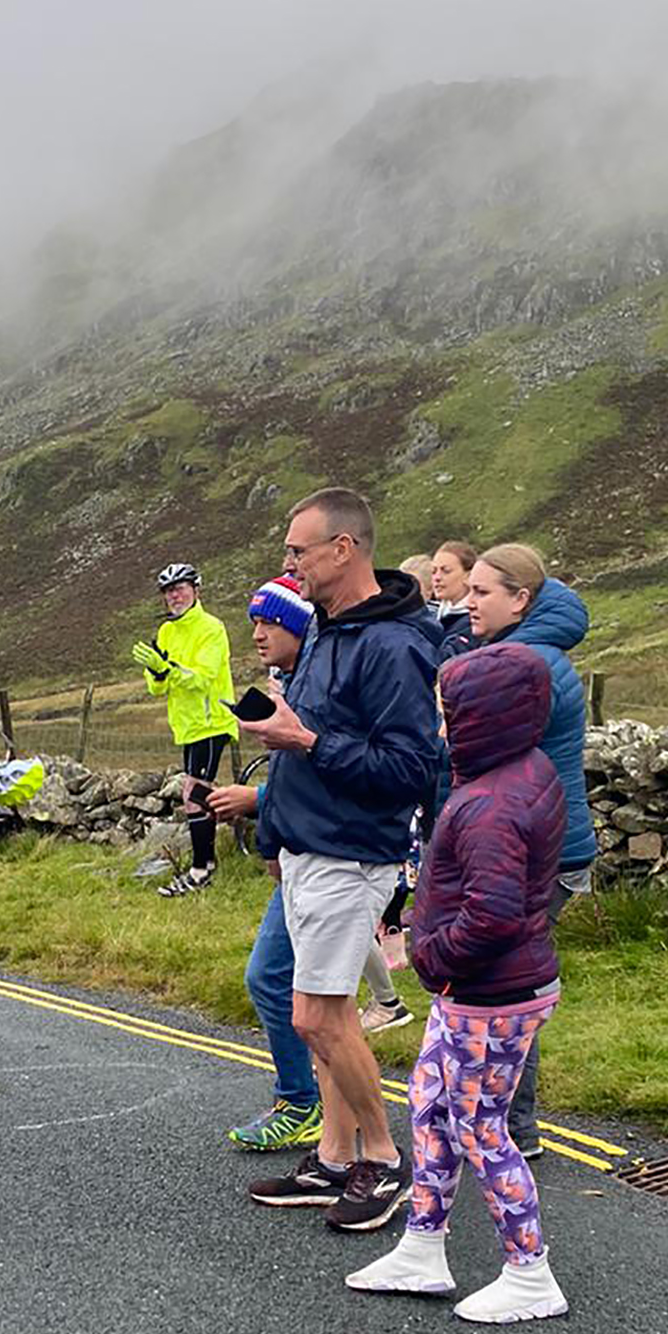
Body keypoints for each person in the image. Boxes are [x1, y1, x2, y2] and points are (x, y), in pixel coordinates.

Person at [233, 489, 444, 1233]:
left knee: (317, 1016)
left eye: (299, 549)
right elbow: (317, 729)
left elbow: (410, 768)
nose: (289, 563)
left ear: (344, 549)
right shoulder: (329, 627)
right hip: (308, 845)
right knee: (332, 1012)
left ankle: (384, 1161)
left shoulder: (395, 644)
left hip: (348, 853)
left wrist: (309, 743)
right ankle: (331, 1156)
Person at [344, 641, 570, 1323]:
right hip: (487, 988)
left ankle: (530, 1272)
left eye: (450, 711)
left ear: (485, 715)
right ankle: (423, 1246)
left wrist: (431, 954)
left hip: (489, 993)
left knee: (478, 1125)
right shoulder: (521, 772)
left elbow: (494, 913)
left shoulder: (493, 803)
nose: (442, 726)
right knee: (432, 1104)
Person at [203, 575, 409, 1152]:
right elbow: (301, 778)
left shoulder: (333, 679)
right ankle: (336, 1148)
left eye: (270, 622)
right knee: (318, 1008)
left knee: (303, 1002)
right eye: (254, 621)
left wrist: (258, 801)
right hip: (302, 853)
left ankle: (365, 1143)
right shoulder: (293, 681)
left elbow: (354, 772)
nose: (258, 633)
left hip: (336, 855)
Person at [459, 541, 600, 1156]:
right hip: (542, 842)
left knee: (501, 983)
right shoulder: (523, 651)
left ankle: (509, 1127)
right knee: (501, 979)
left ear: (521, 600)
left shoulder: (527, 667)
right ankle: (506, 1123)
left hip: (536, 849)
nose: (467, 602)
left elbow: (472, 754)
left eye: (481, 592)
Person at [131, 561, 240, 898]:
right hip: (187, 726)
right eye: (168, 591)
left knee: (192, 792)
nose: (174, 595)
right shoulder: (166, 632)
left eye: (180, 588)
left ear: (196, 590)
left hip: (211, 721)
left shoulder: (211, 627)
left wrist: (169, 668)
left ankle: (202, 868)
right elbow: (157, 688)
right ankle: (240, 810)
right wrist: (158, 672)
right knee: (198, 792)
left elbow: (202, 678)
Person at [428, 538, 481, 651]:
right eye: (433, 571)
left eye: (446, 571)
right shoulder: (431, 615)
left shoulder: (475, 621)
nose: (437, 578)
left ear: (468, 576)